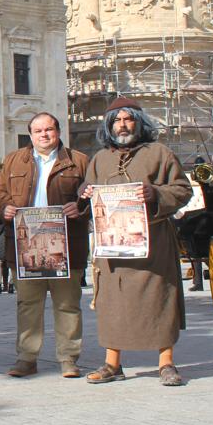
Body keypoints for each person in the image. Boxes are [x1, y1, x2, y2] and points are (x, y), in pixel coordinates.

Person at [81, 96, 192, 387]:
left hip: (153, 245)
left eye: (128, 119)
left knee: (160, 301)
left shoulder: (160, 153)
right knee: (112, 304)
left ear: (139, 122)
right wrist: (85, 193)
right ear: (109, 125)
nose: (122, 125)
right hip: (113, 249)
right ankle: (112, 364)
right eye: (116, 120)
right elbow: (87, 191)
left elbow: (182, 189)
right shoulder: (100, 159)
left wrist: (155, 193)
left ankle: (166, 363)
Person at [0, 112, 90, 380]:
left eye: (49, 129)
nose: (44, 135)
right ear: (31, 134)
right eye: (38, 131)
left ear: (58, 132)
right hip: (26, 245)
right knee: (28, 303)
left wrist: (80, 207)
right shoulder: (14, 160)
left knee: (68, 304)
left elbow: (92, 195)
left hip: (66, 245)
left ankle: (68, 358)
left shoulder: (79, 161)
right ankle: (27, 358)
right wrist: (5, 207)